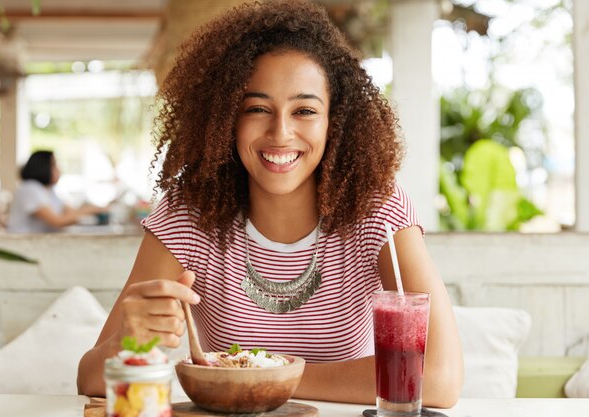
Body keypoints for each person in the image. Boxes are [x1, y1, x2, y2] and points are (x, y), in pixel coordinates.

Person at [78, 0, 463, 406]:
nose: (281, 133)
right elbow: (88, 378)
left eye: (305, 110)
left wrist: (260, 377)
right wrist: (128, 340)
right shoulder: (188, 213)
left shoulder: (375, 208)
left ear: (335, 121)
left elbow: (437, 378)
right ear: (226, 117)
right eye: (257, 108)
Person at [7, 150, 106, 233]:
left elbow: (71, 213)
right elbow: (57, 221)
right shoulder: (29, 188)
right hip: (24, 247)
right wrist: (91, 210)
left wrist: (98, 208)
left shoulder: (49, 190)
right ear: (43, 167)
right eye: (54, 165)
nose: (59, 170)